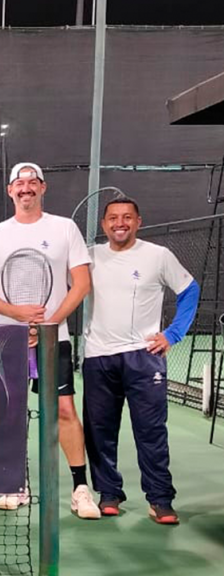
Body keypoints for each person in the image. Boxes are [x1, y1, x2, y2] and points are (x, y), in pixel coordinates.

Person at [0, 161, 101, 519]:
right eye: (19, 183)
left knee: (64, 410)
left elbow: (81, 284)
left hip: (53, 338)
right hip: (6, 339)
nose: (26, 188)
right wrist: (15, 314)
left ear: (43, 188)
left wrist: (48, 324)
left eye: (32, 182)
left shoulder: (65, 228)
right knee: (10, 412)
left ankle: (80, 489)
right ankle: (16, 483)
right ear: (10, 190)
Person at [82, 197, 199, 524]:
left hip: (144, 358)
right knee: (99, 431)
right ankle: (109, 493)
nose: (120, 223)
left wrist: (173, 334)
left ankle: (160, 499)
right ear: (104, 224)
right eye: (113, 218)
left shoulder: (158, 256)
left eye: (127, 217)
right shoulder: (89, 257)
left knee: (151, 431)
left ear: (138, 222)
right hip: (98, 357)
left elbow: (189, 290)